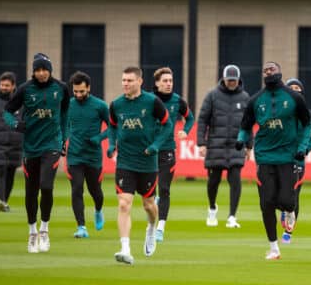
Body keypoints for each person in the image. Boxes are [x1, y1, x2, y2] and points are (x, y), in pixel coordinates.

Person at [236, 61, 311, 260]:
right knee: (266, 203)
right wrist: (241, 140)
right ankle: (274, 248)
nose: (269, 72)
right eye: (266, 70)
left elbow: (307, 125)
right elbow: (245, 126)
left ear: (279, 72)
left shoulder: (294, 97)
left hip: (288, 157)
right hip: (264, 156)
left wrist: (302, 148)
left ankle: (289, 211)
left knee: (287, 201)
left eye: (272, 69)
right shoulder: (255, 100)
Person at [3, 53, 70, 253]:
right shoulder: (24, 89)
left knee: (46, 186)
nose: (41, 73)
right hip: (31, 147)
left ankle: (44, 230)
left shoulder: (61, 88)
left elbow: (65, 114)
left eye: (44, 69)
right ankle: (32, 233)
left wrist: (64, 139)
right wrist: (15, 124)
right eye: (37, 70)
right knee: (31, 191)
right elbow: (7, 112)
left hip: (52, 144)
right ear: (33, 71)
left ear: (50, 70)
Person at [107, 66, 172, 264]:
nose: (125, 84)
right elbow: (112, 126)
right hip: (125, 162)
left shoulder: (152, 102)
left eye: (129, 80)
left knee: (149, 205)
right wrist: (111, 144)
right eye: (123, 80)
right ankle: (125, 249)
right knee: (124, 203)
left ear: (139, 82)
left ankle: (151, 229)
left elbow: (168, 125)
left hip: (147, 163)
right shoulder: (116, 104)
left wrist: (155, 146)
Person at [197, 64, 250, 229]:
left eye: (234, 80)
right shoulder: (212, 96)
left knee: (235, 180)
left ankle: (232, 216)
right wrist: (201, 143)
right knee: (214, 180)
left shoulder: (245, 97)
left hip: (237, 145)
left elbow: (249, 123)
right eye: (229, 80)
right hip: (216, 145)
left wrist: (249, 145)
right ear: (224, 79)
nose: (232, 83)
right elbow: (202, 120)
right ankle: (212, 208)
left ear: (238, 80)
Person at [66, 71, 110, 238]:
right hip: (74, 156)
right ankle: (81, 227)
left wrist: (99, 138)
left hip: (93, 157)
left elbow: (113, 126)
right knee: (77, 189)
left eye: (82, 91)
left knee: (95, 192)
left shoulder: (99, 106)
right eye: (75, 91)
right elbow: (62, 125)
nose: (78, 95)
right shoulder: (68, 105)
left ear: (89, 88)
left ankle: (98, 210)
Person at [153, 67, 194, 241]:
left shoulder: (178, 101)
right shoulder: (149, 100)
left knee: (164, 189)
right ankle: (154, 200)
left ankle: (160, 227)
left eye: (170, 80)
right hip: (148, 150)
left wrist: (185, 130)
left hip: (168, 150)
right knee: (146, 191)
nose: (169, 84)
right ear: (157, 83)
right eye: (165, 81)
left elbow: (190, 118)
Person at [280, 78, 311, 244]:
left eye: (298, 88)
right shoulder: (279, 113)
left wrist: (305, 149)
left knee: (294, 195)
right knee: (279, 194)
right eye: (291, 88)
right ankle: (284, 210)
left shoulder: (309, 115)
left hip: (298, 161)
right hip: (280, 159)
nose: (295, 90)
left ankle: (289, 231)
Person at [0, 72, 23, 212]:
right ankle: (1, 199)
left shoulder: (20, 103)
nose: (4, 87)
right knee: (1, 169)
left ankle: (4, 201)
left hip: (16, 145)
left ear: (13, 86)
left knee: (11, 172)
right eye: (2, 85)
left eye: (7, 85)